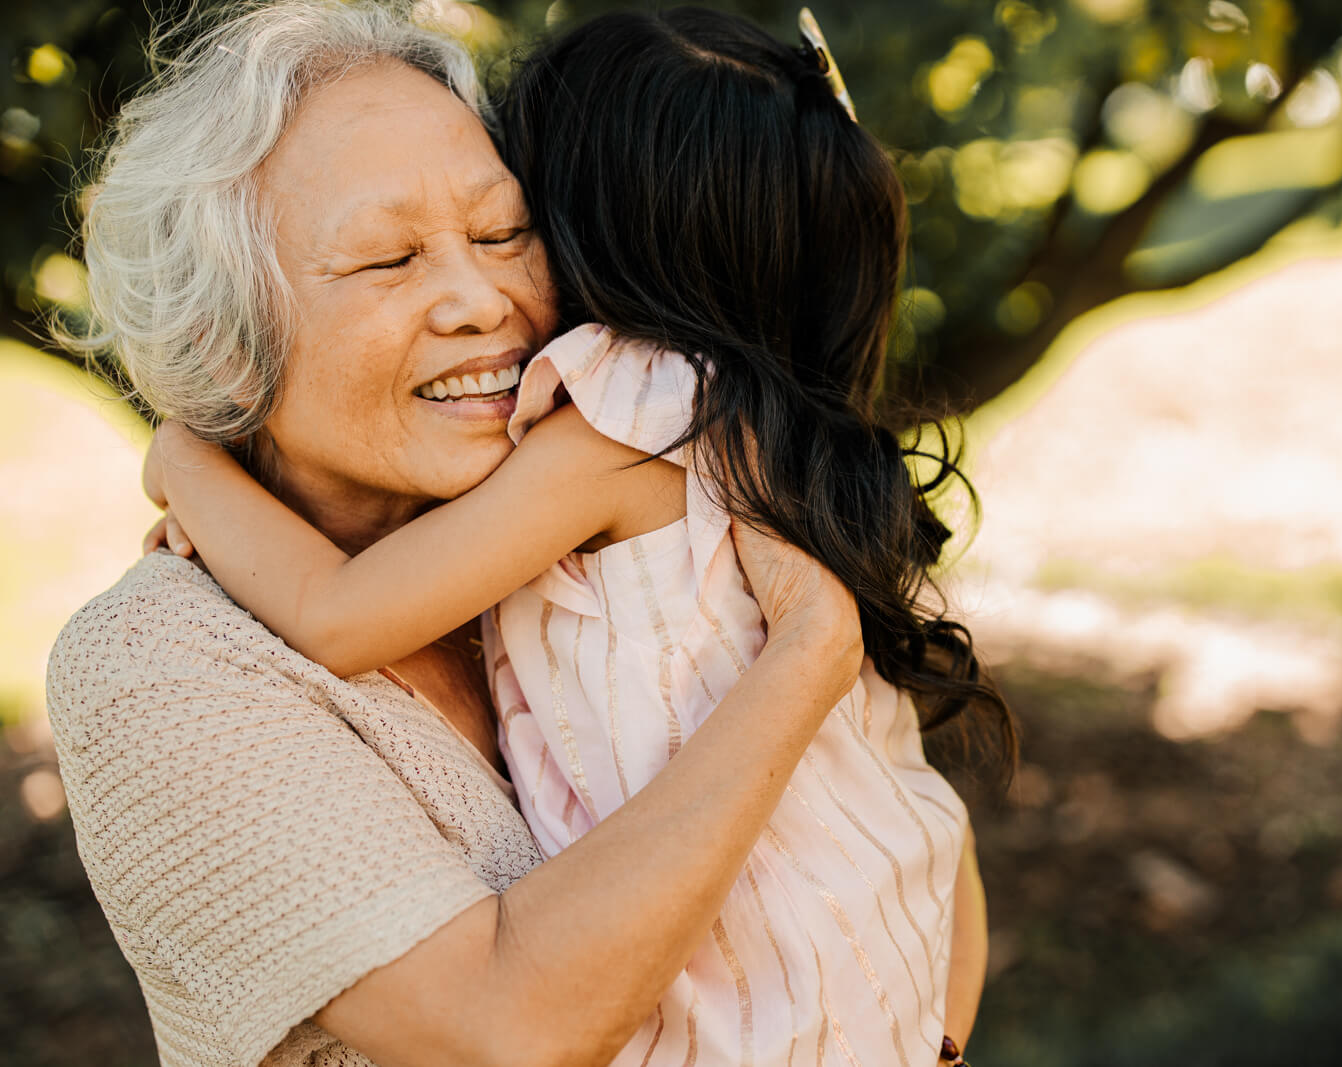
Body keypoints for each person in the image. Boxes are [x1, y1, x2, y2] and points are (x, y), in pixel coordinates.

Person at [46, 3, 987, 1065]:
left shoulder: (601, 530)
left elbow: (911, 818)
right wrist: (806, 652)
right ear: (219, 343)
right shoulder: (162, 667)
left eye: (503, 233)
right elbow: (508, 1027)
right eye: (388, 259)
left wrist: (921, 1043)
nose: (479, 297)